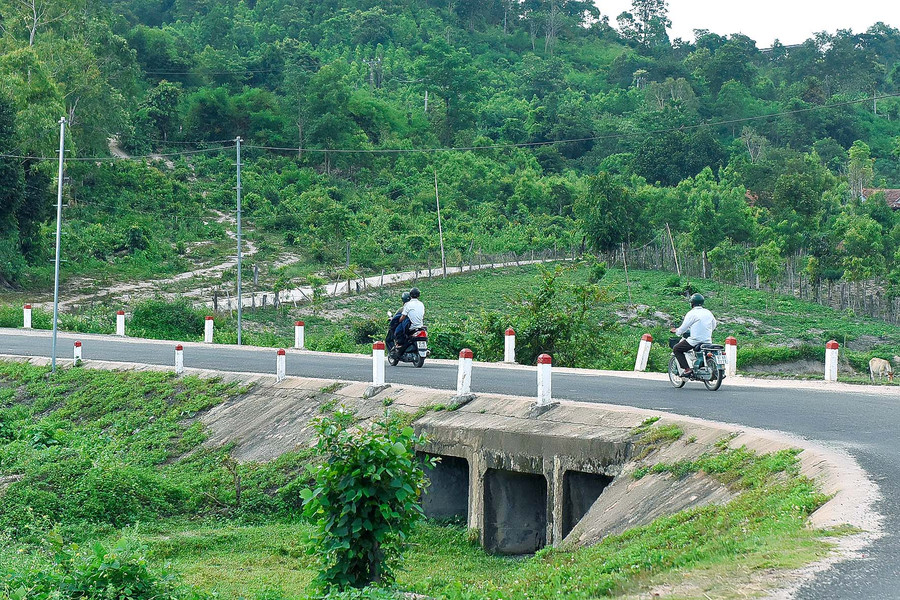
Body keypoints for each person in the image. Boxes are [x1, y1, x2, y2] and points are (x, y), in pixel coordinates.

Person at [670, 293, 717, 378]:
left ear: (692, 303)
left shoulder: (691, 313)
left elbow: (683, 327)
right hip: (707, 340)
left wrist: (677, 332)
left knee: (676, 349)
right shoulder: (708, 312)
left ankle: (687, 369)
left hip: (695, 340)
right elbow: (714, 325)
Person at [393, 287, 425, 353]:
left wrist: (399, 321)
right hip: (420, 326)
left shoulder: (408, 304)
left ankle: (399, 344)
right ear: (419, 295)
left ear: (410, 295)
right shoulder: (421, 304)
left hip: (411, 327)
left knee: (398, 330)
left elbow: (402, 317)